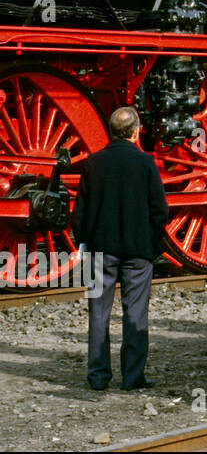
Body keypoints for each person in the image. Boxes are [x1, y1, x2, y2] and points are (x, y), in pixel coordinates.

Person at [73, 106, 168, 391]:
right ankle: (132, 376)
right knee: (135, 314)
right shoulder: (146, 163)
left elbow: (79, 214)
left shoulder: (93, 164)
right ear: (136, 131)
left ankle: (98, 376)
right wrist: (151, 243)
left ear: (111, 131)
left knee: (98, 313)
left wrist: (88, 243)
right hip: (139, 251)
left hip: (101, 251)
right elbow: (160, 210)